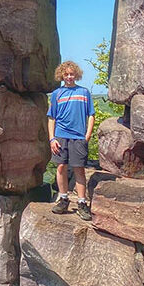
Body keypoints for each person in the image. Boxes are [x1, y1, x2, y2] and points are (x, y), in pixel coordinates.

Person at [47, 60, 95, 221]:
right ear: (62, 75)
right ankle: (63, 199)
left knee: (78, 169)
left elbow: (91, 115)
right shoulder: (57, 94)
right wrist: (52, 138)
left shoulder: (84, 92)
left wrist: (87, 135)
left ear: (76, 75)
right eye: (66, 74)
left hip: (78, 137)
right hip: (60, 136)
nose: (69, 77)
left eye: (71, 74)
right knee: (61, 167)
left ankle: (82, 203)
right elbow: (51, 118)